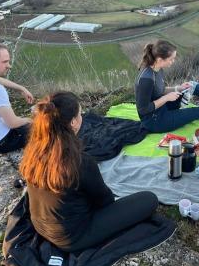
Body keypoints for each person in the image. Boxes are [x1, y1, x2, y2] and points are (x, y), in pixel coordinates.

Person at [20, 91, 159, 252]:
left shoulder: (33, 149)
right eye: (80, 114)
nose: (82, 118)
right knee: (149, 199)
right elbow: (105, 202)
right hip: (72, 238)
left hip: (41, 226)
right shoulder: (79, 161)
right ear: (73, 123)